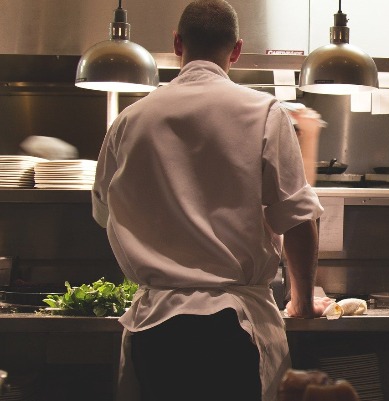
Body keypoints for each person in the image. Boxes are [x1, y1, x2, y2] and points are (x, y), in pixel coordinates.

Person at [90, 1, 325, 400]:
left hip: (156, 330)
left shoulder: (129, 120)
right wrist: (302, 302)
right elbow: (298, 218)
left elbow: (103, 213)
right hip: (234, 329)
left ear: (177, 43)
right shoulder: (264, 113)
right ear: (237, 50)